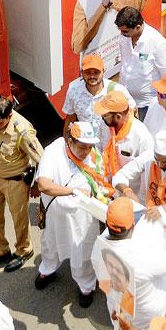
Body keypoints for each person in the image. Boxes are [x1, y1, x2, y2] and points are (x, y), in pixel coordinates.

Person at [35, 122, 110, 302]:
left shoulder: (95, 157)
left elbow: (103, 184)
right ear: (70, 141)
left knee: (82, 251)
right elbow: (44, 185)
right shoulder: (54, 151)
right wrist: (72, 191)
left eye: (89, 146)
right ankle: (47, 270)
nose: (86, 151)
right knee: (50, 245)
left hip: (82, 219)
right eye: (82, 146)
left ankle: (86, 287)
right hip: (55, 214)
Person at [0, 96, 42, 273]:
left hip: (15, 181)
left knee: (19, 219)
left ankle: (24, 250)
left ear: (9, 115)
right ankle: (0, 252)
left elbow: (42, 159)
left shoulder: (23, 132)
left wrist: (35, 184)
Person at [93, 197, 166, 326]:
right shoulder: (143, 257)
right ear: (133, 225)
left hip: (118, 311)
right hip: (147, 320)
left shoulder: (98, 246)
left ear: (107, 224)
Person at [115, 6, 166, 116]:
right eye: (121, 31)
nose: (122, 34)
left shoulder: (157, 42)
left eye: (125, 31)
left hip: (147, 105)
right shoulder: (124, 37)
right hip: (126, 100)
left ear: (137, 27)